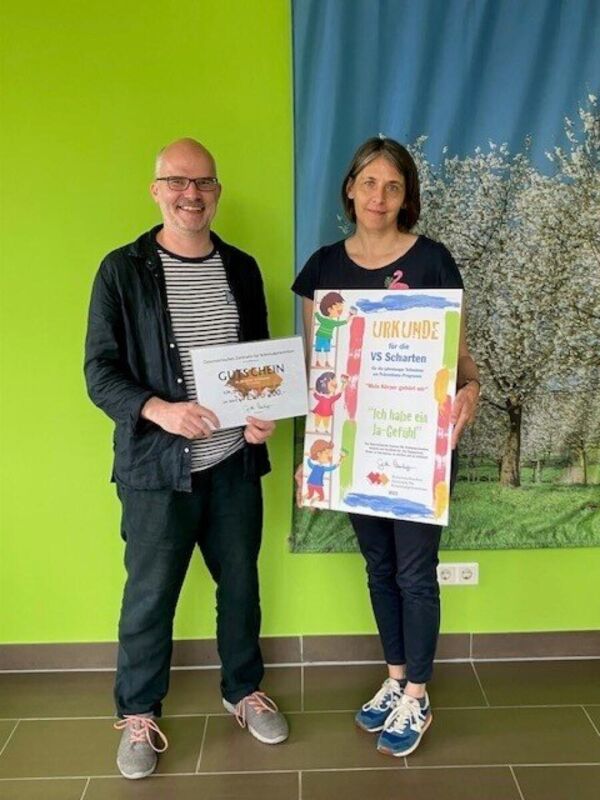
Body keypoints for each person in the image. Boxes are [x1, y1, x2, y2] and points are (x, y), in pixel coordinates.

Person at [85, 138, 288, 780]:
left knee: (241, 585)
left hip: (232, 463)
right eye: (177, 181)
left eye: (202, 182)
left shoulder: (242, 268)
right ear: (156, 191)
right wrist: (161, 411)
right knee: (149, 596)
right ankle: (138, 713)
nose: (190, 194)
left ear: (217, 191)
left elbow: (258, 363)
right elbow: (99, 373)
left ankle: (243, 690)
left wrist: (263, 412)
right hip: (156, 472)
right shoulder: (121, 271)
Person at [293, 136, 480, 757]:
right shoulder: (323, 269)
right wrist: (313, 455)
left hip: (417, 449)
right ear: (350, 189)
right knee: (378, 567)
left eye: (393, 186)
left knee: (414, 572)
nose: (379, 196)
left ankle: (418, 695)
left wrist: (471, 391)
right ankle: (396, 678)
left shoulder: (433, 261)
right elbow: (317, 372)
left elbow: (462, 362)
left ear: (407, 197)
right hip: (353, 448)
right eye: (369, 183)